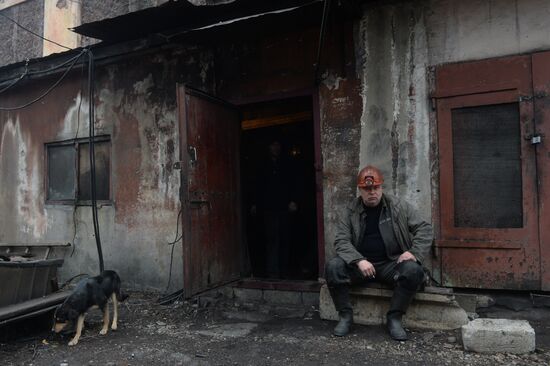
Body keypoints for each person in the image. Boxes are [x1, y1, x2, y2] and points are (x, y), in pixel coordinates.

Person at [325, 165, 433, 340]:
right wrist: (359, 260)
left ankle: (395, 318)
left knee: (413, 270)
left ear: (381, 187)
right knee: (333, 267)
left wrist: (413, 253)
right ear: (360, 190)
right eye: (367, 189)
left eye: (376, 188)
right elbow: (341, 241)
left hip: (391, 264)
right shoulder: (351, 210)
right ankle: (345, 316)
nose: (372, 192)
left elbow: (425, 228)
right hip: (362, 266)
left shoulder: (398, 206)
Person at [251, 139, 298, 278]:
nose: (276, 147)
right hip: (268, 208)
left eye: (278, 144)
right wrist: (254, 203)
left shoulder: (287, 163)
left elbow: (294, 182)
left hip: (284, 206)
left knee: (285, 238)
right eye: (273, 144)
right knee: (271, 239)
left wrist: (294, 200)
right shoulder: (262, 165)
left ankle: (284, 270)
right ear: (268, 147)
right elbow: (257, 185)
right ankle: (272, 272)